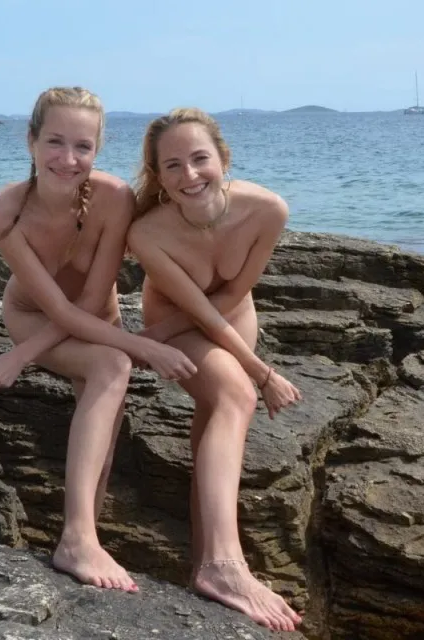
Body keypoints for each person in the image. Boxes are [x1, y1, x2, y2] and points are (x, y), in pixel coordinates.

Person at [0, 88, 197, 593]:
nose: (68, 159)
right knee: (113, 365)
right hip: (33, 318)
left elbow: (95, 299)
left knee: (105, 431)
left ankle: (85, 538)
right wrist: (142, 347)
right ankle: (76, 540)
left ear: (98, 149)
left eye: (83, 146)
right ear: (30, 141)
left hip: (97, 316)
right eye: (55, 142)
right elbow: (57, 310)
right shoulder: (4, 212)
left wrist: (22, 359)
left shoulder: (114, 198)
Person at [127, 107, 303, 631]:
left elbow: (229, 296)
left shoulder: (268, 210)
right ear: (159, 177)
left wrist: (256, 367)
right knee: (236, 396)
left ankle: (205, 564)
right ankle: (225, 566)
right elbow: (196, 313)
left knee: (215, 425)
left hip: (232, 314)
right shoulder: (147, 234)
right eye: (173, 166)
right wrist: (260, 374)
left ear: (223, 159)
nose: (190, 174)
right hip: (176, 325)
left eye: (200, 158)